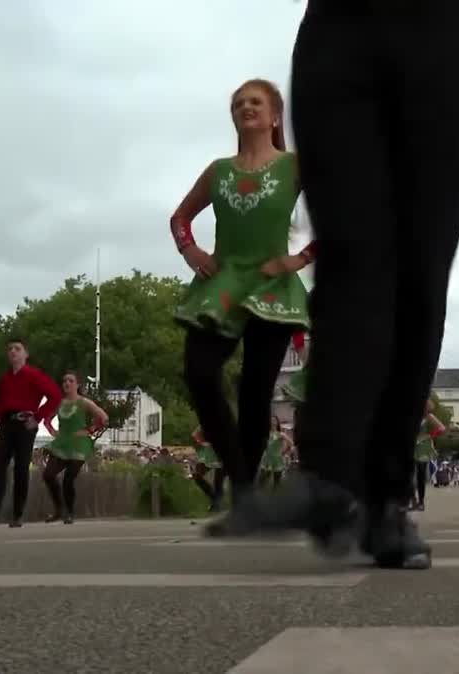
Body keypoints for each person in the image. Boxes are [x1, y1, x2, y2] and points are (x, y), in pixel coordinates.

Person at [213, 0, 459, 571]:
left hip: (444, 38)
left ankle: (385, 497)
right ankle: (331, 480)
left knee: (421, 261)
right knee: (350, 250)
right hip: (337, 36)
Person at [171, 78, 315, 510]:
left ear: (274, 116)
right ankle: (240, 475)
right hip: (223, 285)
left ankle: (245, 494)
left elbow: (342, 213)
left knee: (255, 389)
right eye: (238, 103)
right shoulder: (219, 171)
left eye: (255, 102)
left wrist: (301, 258)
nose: (245, 107)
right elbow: (180, 217)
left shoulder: (295, 166)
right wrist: (191, 249)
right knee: (198, 372)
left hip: (272, 284)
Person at [0, 338, 61, 528]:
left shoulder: (34, 375)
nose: (13, 352)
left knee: (21, 468)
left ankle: (17, 514)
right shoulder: (5, 379)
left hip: (25, 424)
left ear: (25, 354)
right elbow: (1, 400)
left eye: (17, 349)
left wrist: (38, 417)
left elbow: (55, 395)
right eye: (10, 349)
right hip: (6, 424)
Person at [41, 371, 108, 524]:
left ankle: (69, 513)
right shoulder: (59, 403)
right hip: (61, 444)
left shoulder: (84, 402)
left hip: (78, 445)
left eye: (71, 381)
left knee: (68, 479)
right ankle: (59, 509)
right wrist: (53, 432)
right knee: (48, 475)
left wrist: (90, 430)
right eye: (65, 381)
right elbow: (47, 419)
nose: (67, 383)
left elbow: (103, 418)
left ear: (77, 385)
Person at [412, 400, 445, 512]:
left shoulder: (429, 417)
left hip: (423, 448)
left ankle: (421, 502)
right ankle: (413, 500)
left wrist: (428, 436)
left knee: (421, 475)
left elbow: (441, 428)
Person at [191, 427, 225, 512]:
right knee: (196, 475)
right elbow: (195, 437)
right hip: (208, 455)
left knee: (218, 479)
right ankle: (214, 499)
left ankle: (217, 504)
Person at [259, 416, 293, 489]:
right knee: (261, 482)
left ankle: (275, 496)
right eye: (271, 420)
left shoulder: (280, 434)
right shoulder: (266, 433)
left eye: (274, 420)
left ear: (277, 422)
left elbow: (291, 443)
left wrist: (285, 452)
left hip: (277, 460)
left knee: (276, 483)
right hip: (267, 460)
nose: (272, 422)